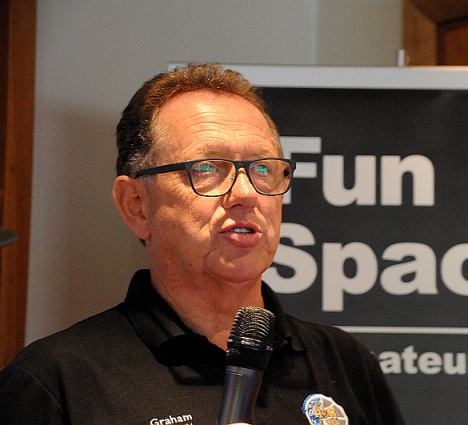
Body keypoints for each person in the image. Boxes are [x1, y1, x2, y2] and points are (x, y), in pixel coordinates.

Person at [0, 64, 405, 425]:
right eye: (207, 168)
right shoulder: (57, 380)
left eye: (263, 168)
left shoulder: (344, 363)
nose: (246, 193)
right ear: (136, 205)